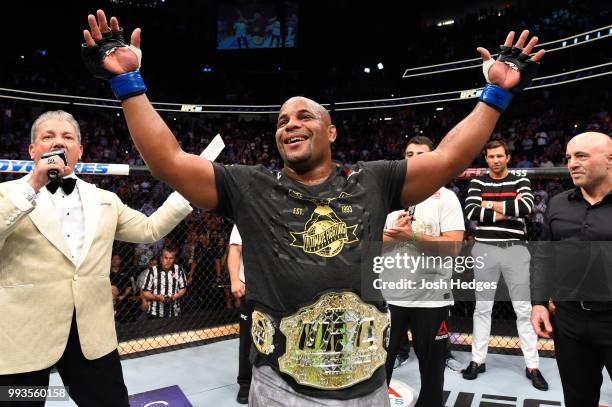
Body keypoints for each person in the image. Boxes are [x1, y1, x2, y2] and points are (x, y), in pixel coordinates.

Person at [81, 10, 544, 404]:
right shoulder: (251, 185)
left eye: (305, 116)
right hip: (280, 381)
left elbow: (447, 159)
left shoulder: (373, 179)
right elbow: (168, 161)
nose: (290, 125)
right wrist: (128, 82)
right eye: (282, 121)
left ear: (331, 132)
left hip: (365, 380)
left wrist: (495, 95)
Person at [0, 110, 193, 406]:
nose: (58, 142)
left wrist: (189, 188)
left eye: (67, 137)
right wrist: (33, 186)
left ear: (80, 150)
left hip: (91, 334)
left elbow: (149, 227)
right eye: (48, 136)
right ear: (32, 149)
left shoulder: (104, 199)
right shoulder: (7, 194)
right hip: (25, 337)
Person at [382, 136, 465, 406]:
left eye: (421, 153)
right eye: (409, 153)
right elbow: (366, 244)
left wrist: (413, 236)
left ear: (432, 159)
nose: (414, 159)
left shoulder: (447, 197)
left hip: (431, 298)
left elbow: (453, 246)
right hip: (389, 297)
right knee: (376, 368)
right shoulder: (386, 196)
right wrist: (396, 237)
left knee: (432, 373)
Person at [531, 132, 612, 406]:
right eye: (568, 158)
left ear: (610, 160)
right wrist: (539, 303)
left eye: (581, 156)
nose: (572, 164)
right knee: (578, 399)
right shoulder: (558, 203)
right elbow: (544, 257)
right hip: (570, 321)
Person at [462, 140, 548, 390]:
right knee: (482, 308)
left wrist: (488, 206)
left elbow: (526, 207)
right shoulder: (478, 181)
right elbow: (470, 211)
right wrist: (508, 209)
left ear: (508, 157)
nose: (496, 160)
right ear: (486, 159)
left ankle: (533, 365)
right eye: (491, 156)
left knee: (523, 309)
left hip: (515, 249)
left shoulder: (521, 180)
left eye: (500, 155)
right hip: (485, 250)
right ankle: (478, 360)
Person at [227, 225, 252, 404]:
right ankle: (245, 383)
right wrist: (235, 280)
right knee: (247, 337)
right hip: (250, 286)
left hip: (275, 286)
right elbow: (235, 249)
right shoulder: (245, 215)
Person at [142, 248, 188, 318]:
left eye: (171, 258)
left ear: (174, 259)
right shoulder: (152, 271)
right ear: (161, 258)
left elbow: (183, 288)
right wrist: (157, 297)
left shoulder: (178, 269)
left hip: (174, 311)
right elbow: (145, 292)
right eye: (166, 258)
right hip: (155, 313)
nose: (168, 261)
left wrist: (177, 295)